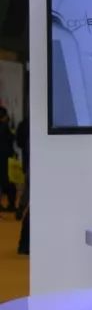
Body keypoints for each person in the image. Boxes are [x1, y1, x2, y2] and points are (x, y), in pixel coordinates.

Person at [0, 107, 17, 212]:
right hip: (4, 159)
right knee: (8, 184)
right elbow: (11, 139)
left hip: (3, 158)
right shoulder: (5, 127)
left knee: (5, 183)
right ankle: (11, 205)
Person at [15, 116, 27, 255]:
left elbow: (18, 142)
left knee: (27, 192)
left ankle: (20, 208)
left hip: (28, 164)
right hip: (32, 167)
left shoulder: (22, 124)